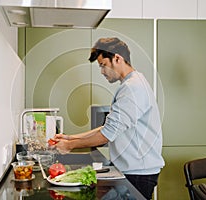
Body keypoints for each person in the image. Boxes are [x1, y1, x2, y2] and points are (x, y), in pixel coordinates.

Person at [53, 37, 165, 199]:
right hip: (134, 169)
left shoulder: (132, 89)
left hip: (138, 173)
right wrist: (70, 138)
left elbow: (107, 134)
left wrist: (71, 145)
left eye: (103, 65)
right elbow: (109, 128)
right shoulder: (132, 84)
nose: (102, 71)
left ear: (117, 58)